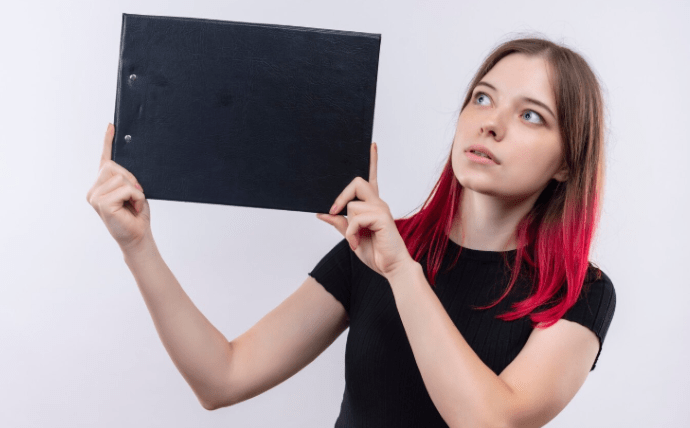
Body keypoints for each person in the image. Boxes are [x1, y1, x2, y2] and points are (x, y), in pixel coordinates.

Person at [87, 35, 615, 427]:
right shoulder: (374, 249)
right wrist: (137, 246)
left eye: (531, 115)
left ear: (568, 163)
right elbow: (222, 378)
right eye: (482, 97)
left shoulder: (579, 293)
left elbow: (488, 422)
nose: (491, 123)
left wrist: (401, 272)